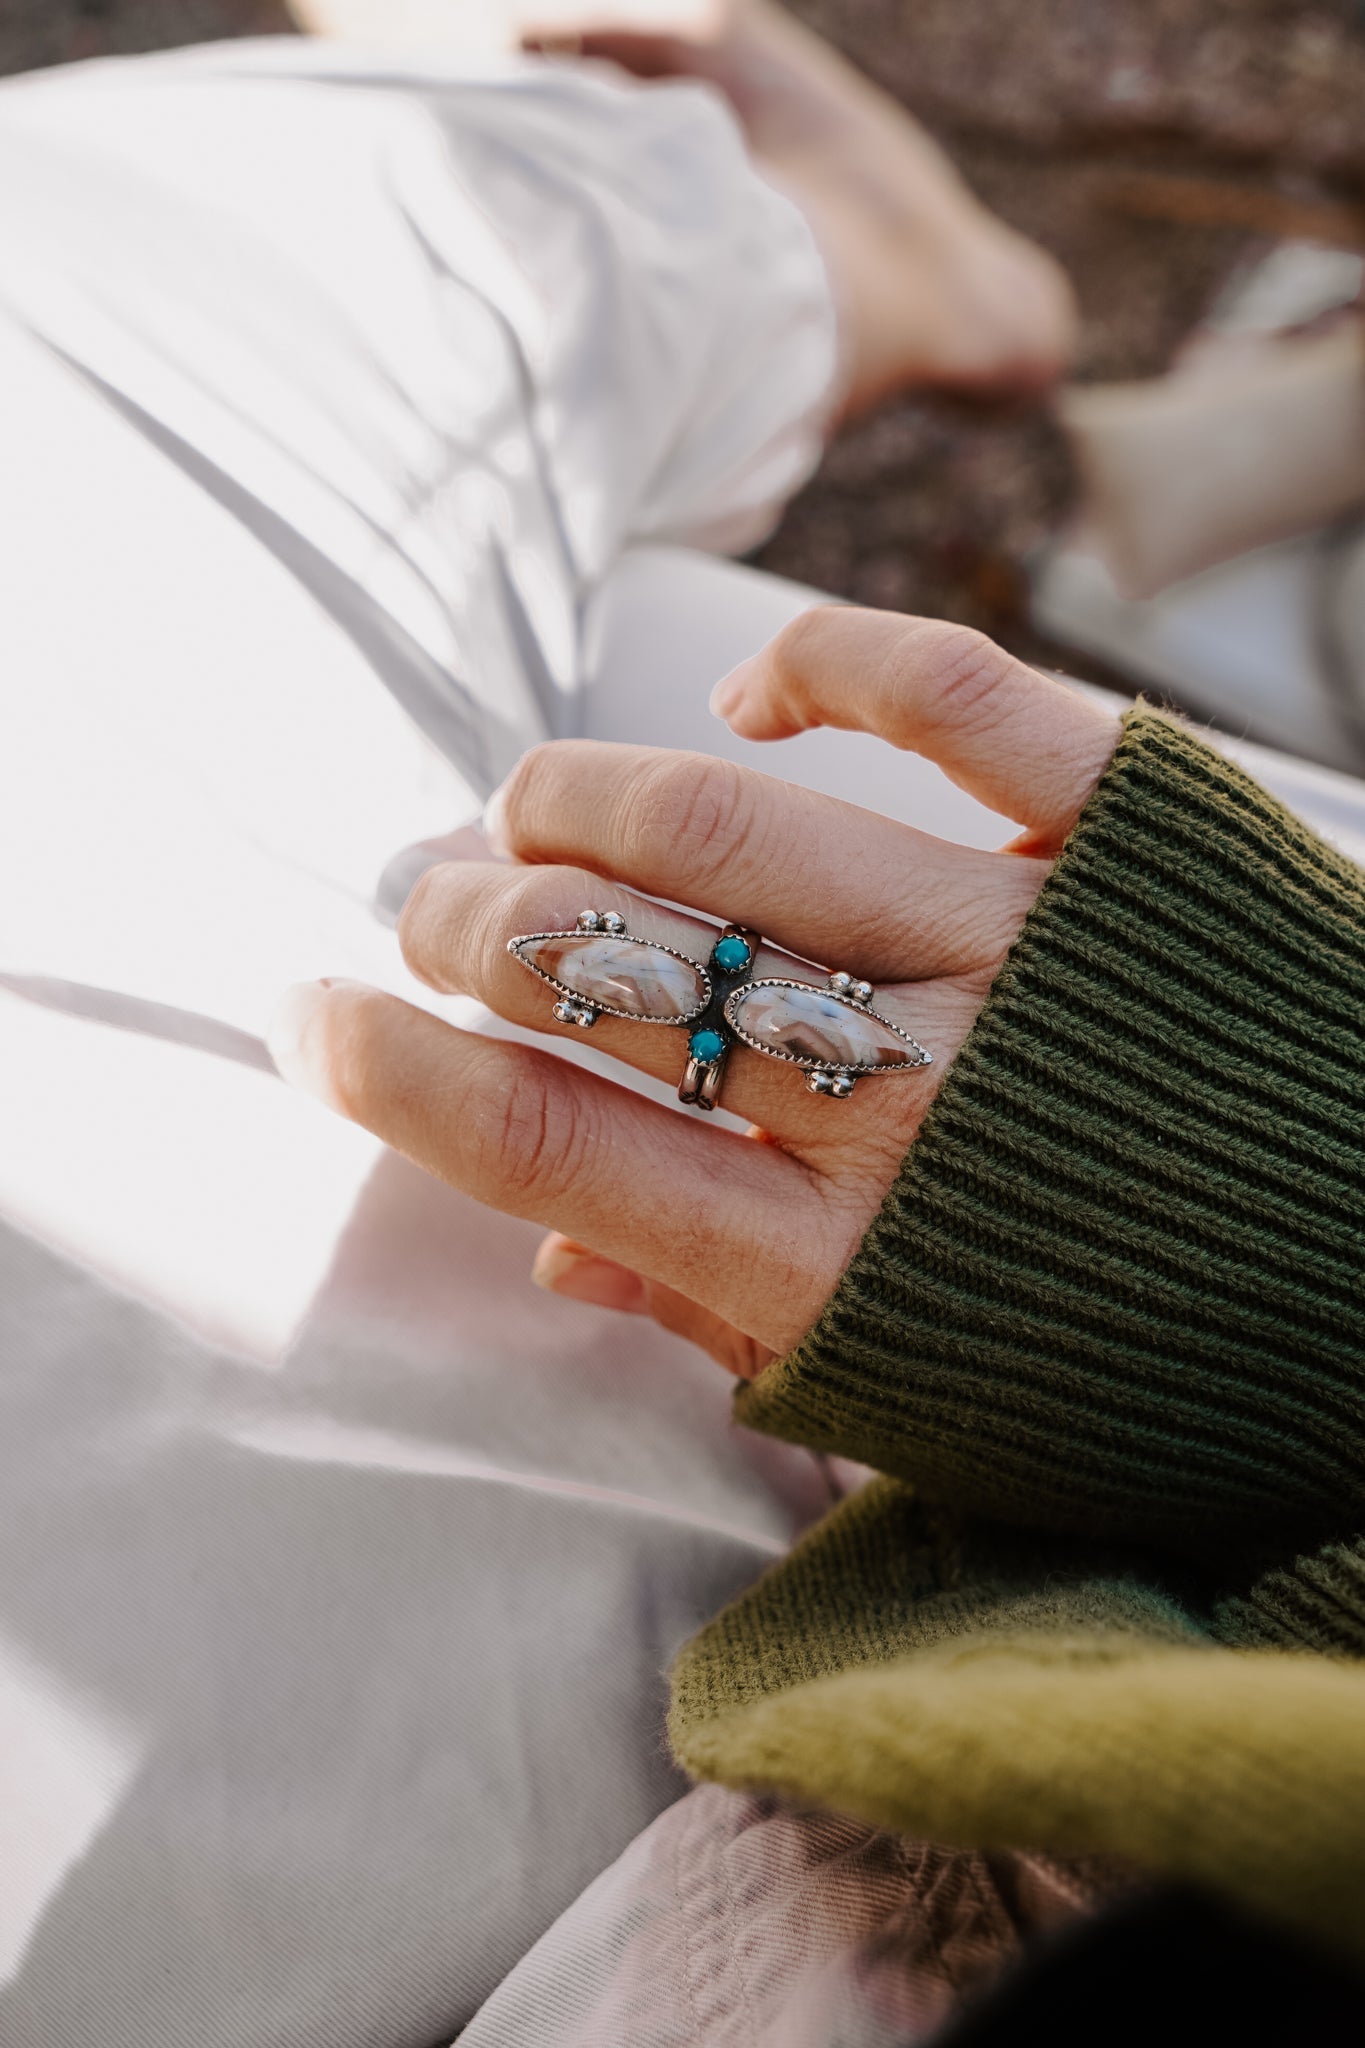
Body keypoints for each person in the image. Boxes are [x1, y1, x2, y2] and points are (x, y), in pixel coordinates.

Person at [1, 8, 1362, 2045]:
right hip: (973, 1728)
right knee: (636, 732)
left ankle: (847, 247)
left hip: (727, 1852)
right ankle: (889, 276)